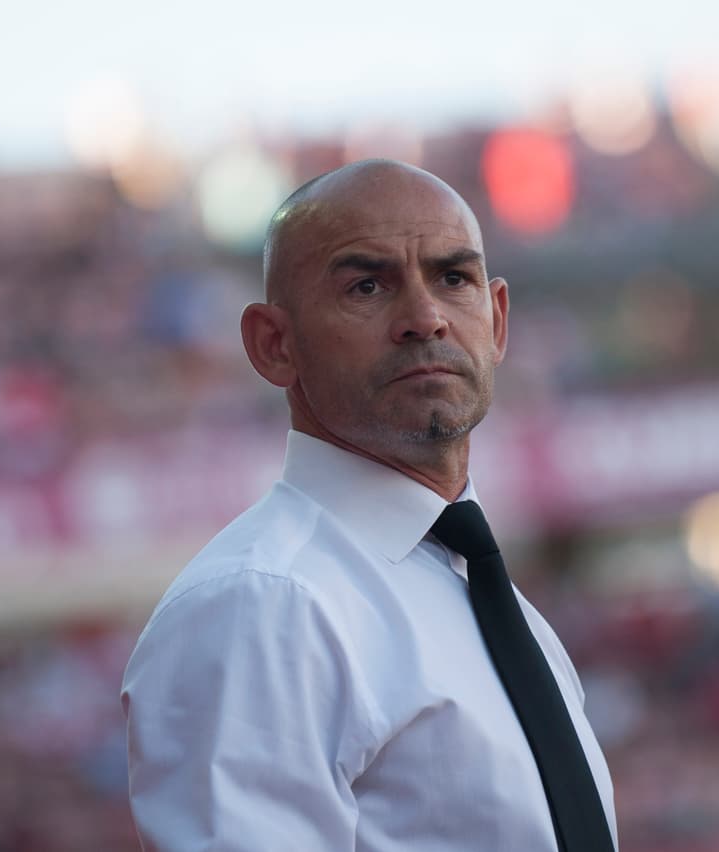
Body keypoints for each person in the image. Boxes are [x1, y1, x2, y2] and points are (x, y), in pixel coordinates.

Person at [120, 160, 617, 851]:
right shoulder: (261, 607)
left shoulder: (474, 589)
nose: (424, 318)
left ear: (497, 320)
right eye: (366, 286)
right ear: (273, 344)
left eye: (453, 278)